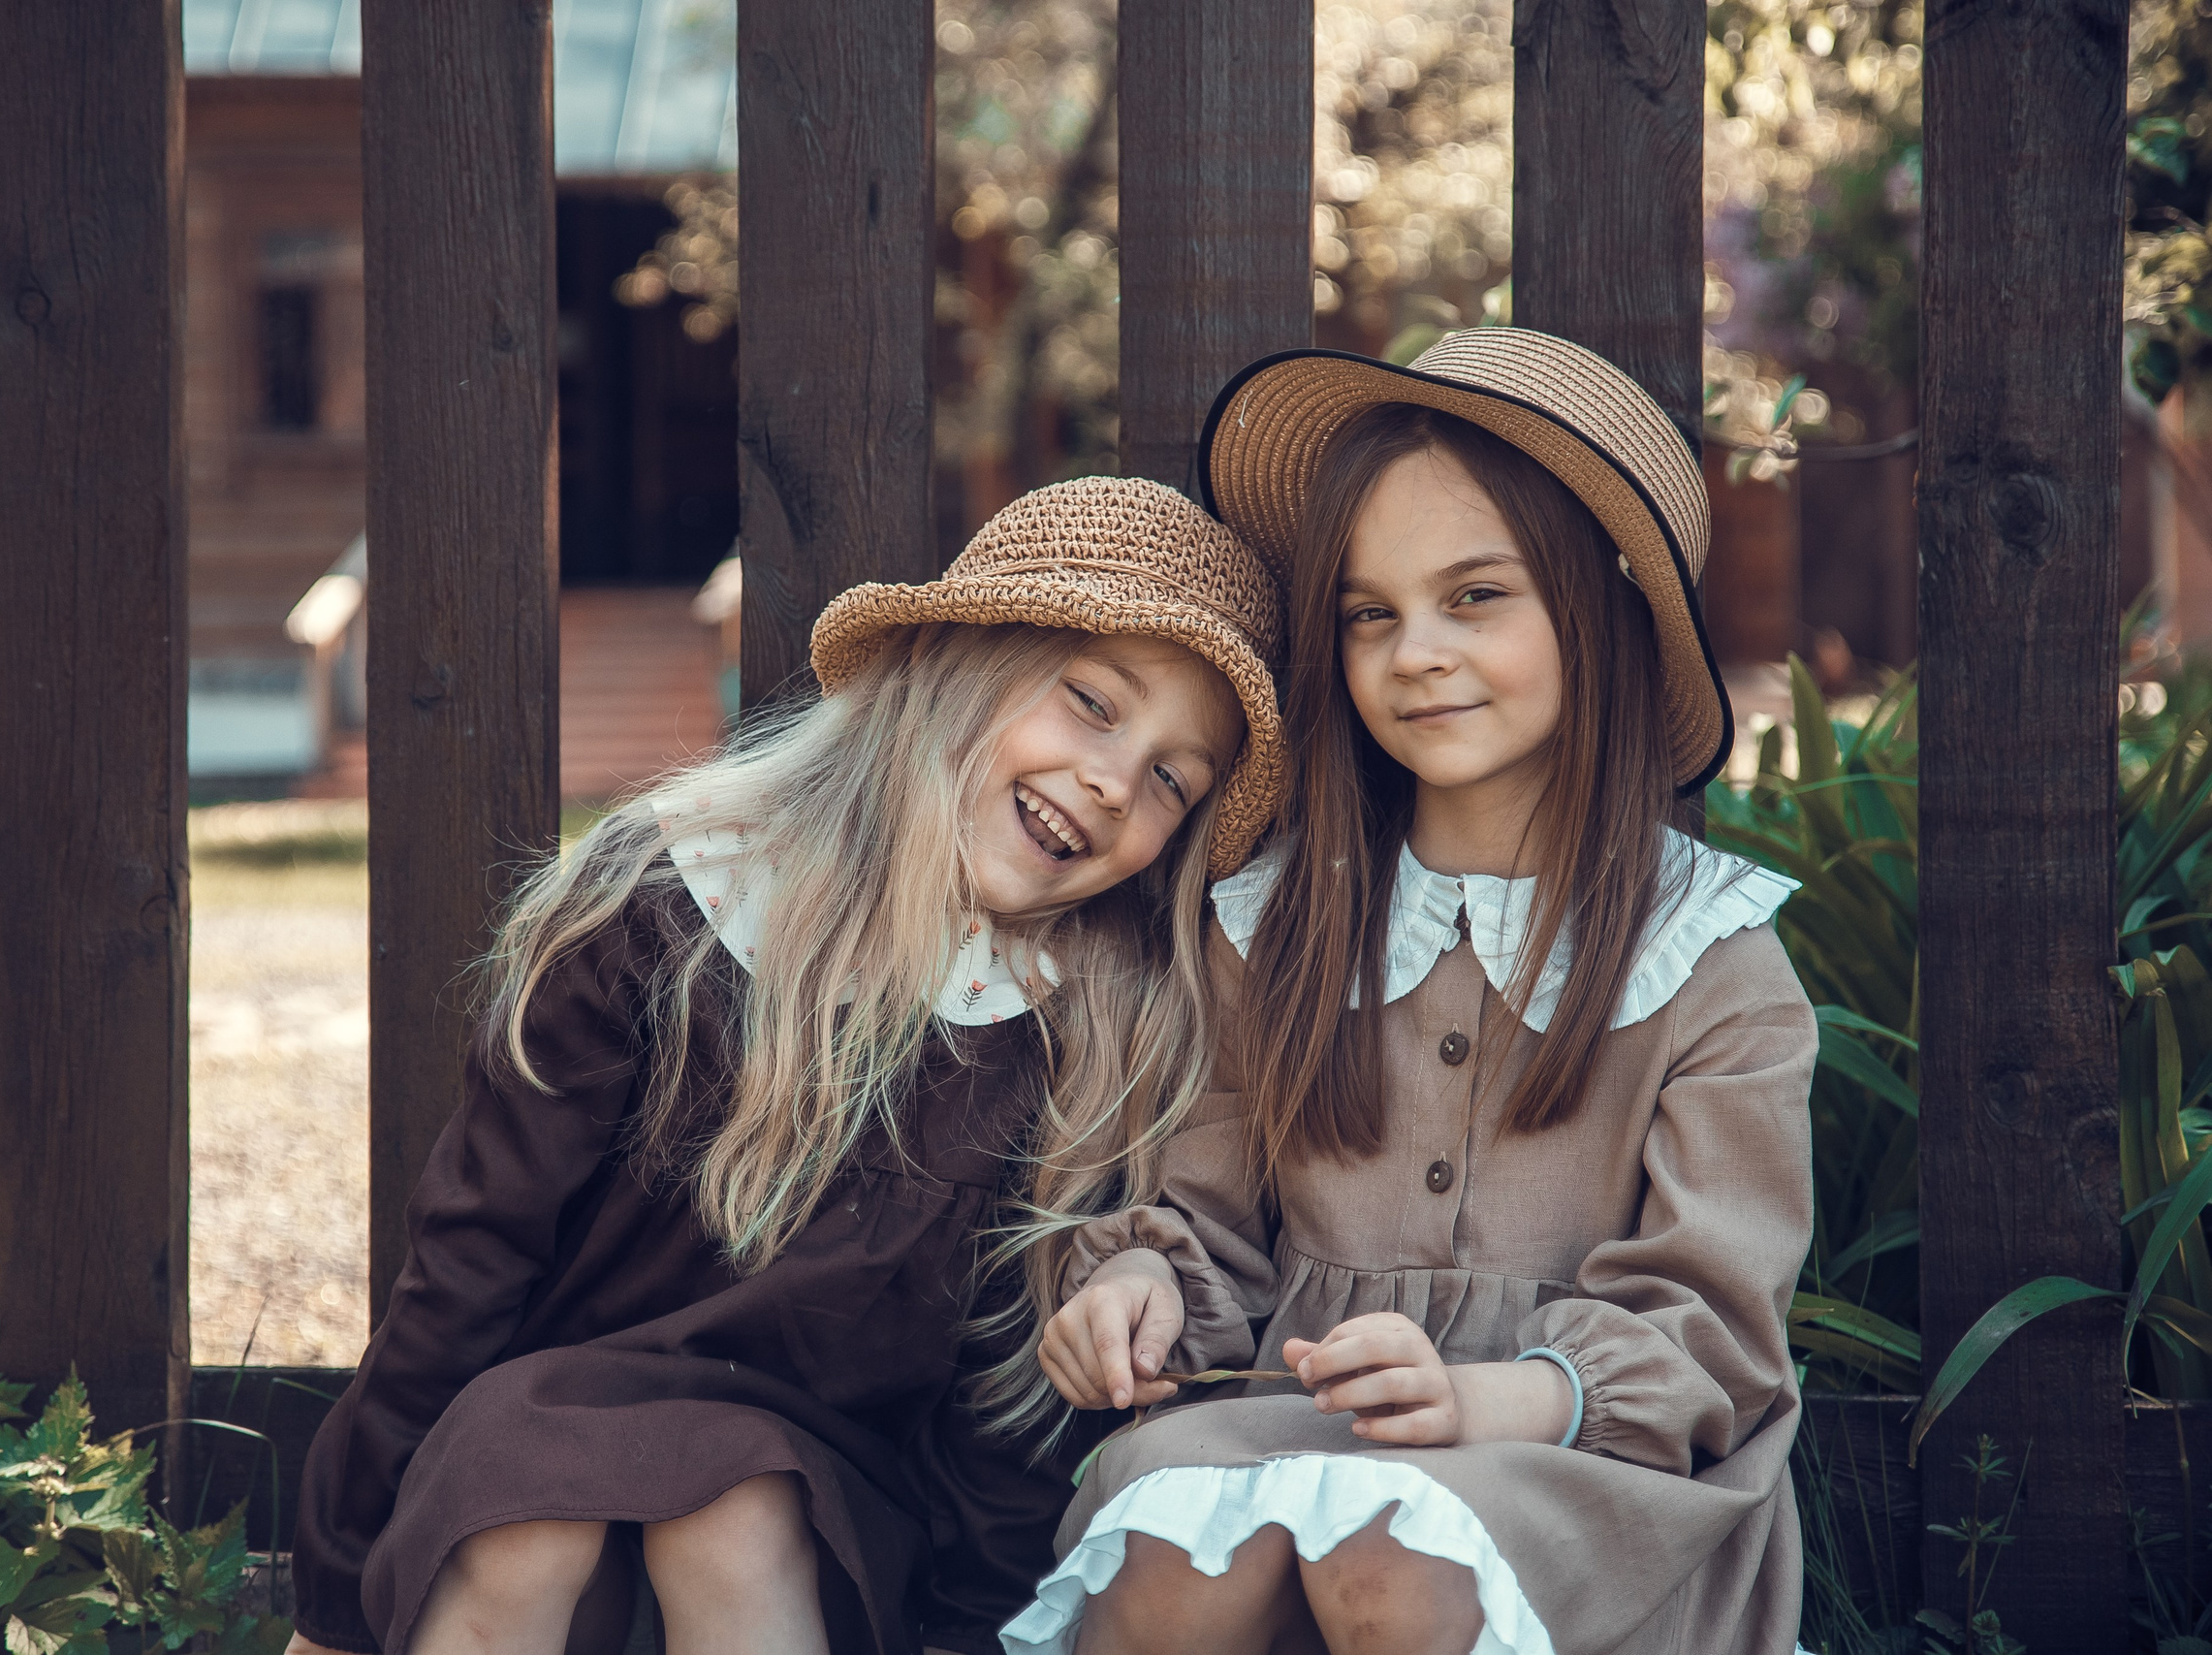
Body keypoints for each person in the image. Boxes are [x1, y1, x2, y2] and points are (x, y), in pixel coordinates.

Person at [284, 475, 1288, 1655]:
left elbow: (1002, 1402)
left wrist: (981, 1636)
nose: (1118, 780)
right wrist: (338, 1601)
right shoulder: (666, 904)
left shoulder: (1076, 1023)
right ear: (952, 668)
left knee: (734, 1512)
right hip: (540, 1433)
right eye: (1090, 704)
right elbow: (469, 1258)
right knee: (527, 1504)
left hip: (831, 1517)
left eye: (1175, 777)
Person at [1008, 331, 1817, 1655]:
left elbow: (1711, 1330)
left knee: (1388, 1555)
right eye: (1369, 611)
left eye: (1476, 595)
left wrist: (1504, 1395)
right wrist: (1146, 1286)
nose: (1415, 651)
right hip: (1302, 1408)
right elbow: (1206, 1222)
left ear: (1603, 609)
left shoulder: (1714, 958)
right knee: (1167, 1540)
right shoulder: (1278, 921)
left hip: (1578, 1454)